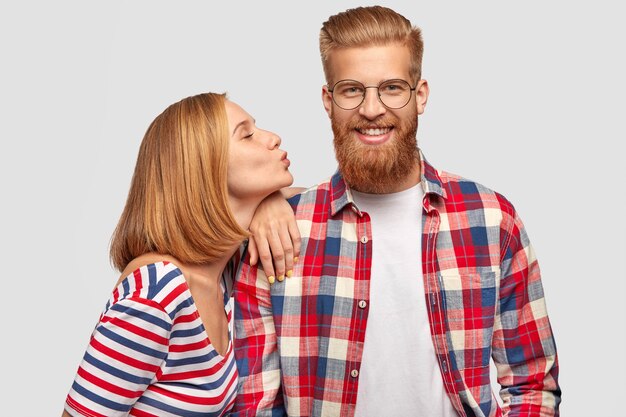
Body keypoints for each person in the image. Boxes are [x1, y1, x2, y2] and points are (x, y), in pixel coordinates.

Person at [233, 6, 561, 417]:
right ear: (327, 99)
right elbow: (255, 404)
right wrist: (267, 201)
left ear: (419, 95)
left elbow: (532, 383)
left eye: (391, 88)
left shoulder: (492, 220)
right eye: (352, 89)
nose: (372, 109)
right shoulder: (279, 234)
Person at [62, 92, 293, 417]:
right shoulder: (157, 294)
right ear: (203, 167)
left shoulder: (223, 276)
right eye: (247, 134)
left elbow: (324, 200)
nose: (272, 139)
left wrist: (271, 202)